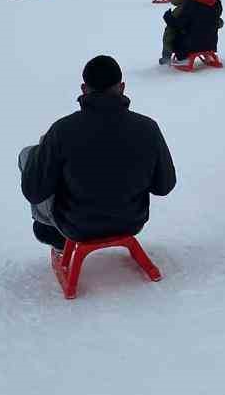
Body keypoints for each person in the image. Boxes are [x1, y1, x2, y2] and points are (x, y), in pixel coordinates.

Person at [20, 55, 177, 250]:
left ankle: (52, 233)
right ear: (121, 87)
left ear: (84, 89)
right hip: (131, 222)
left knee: (29, 154)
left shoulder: (62, 130)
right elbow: (164, 186)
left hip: (76, 227)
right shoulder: (148, 128)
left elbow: (34, 192)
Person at [167, 0, 222, 64]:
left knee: (177, 35)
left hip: (190, 46)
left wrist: (168, 18)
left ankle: (182, 58)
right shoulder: (217, 4)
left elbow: (179, 24)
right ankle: (208, 54)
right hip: (211, 44)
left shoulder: (192, 3)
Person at [160, 0, 194, 64]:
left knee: (170, 30)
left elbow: (170, 32)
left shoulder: (180, 11)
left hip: (185, 48)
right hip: (206, 44)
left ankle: (166, 57)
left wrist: (169, 19)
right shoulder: (200, 5)